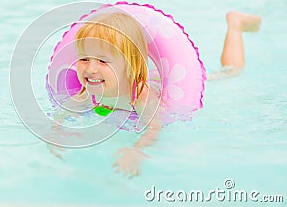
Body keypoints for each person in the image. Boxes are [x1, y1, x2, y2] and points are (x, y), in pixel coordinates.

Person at [48, 10, 261, 178]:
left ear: (129, 65)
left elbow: (154, 126)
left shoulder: (139, 95)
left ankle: (235, 26)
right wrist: (56, 135)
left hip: (165, 83)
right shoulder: (87, 92)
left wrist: (137, 150)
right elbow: (62, 114)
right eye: (84, 59)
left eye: (103, 61)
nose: (91, 69)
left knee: (229, 73)